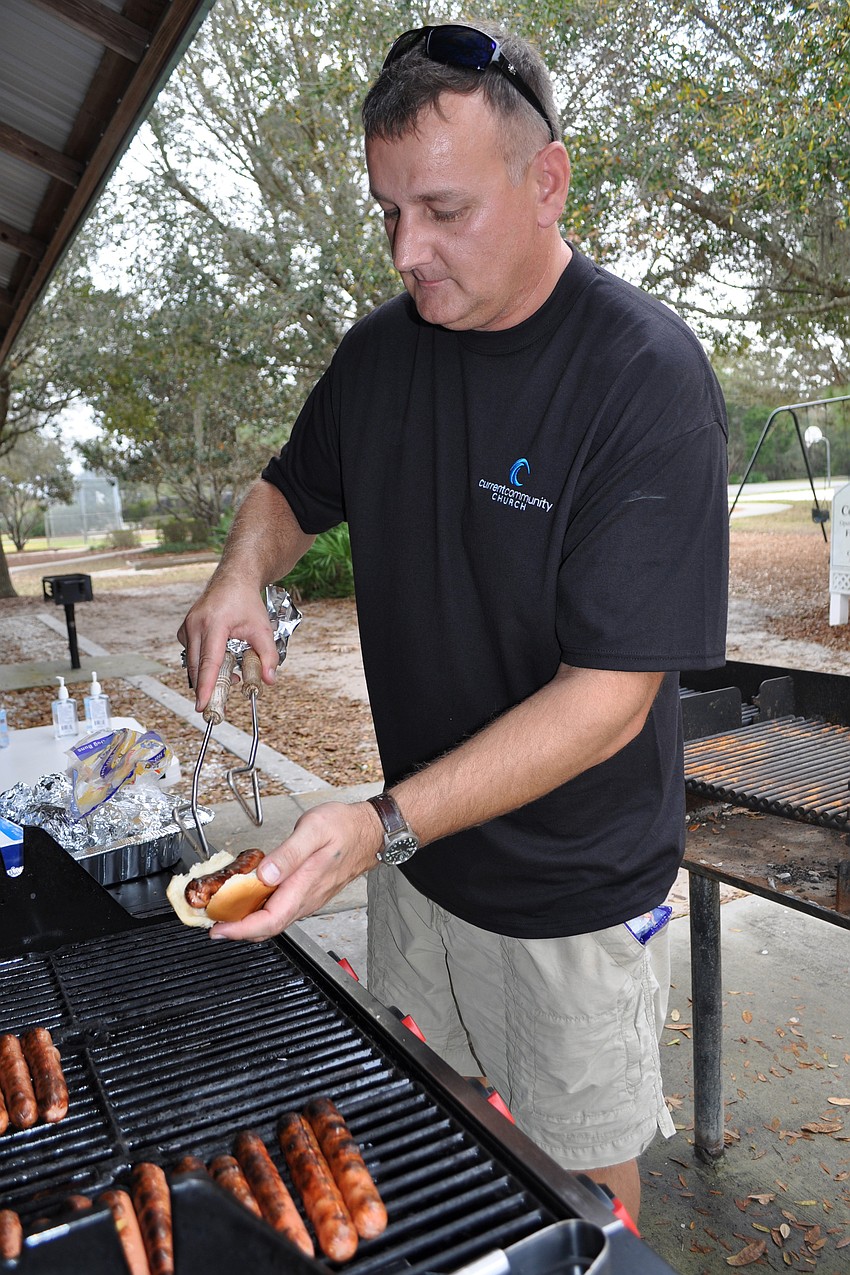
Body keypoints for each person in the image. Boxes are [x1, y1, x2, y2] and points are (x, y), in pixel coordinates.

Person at [178, 19, 728, 1222]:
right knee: (447, 1128)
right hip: (422, 864)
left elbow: (608, 697)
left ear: (546, 180)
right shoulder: (381, 356)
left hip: (569, 891)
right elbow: (289, 490)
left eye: (440, 210)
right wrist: (235, 576)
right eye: (386, 213)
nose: (405, 251)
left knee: (579, 1190)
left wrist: (378, 825)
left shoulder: (642, 376)